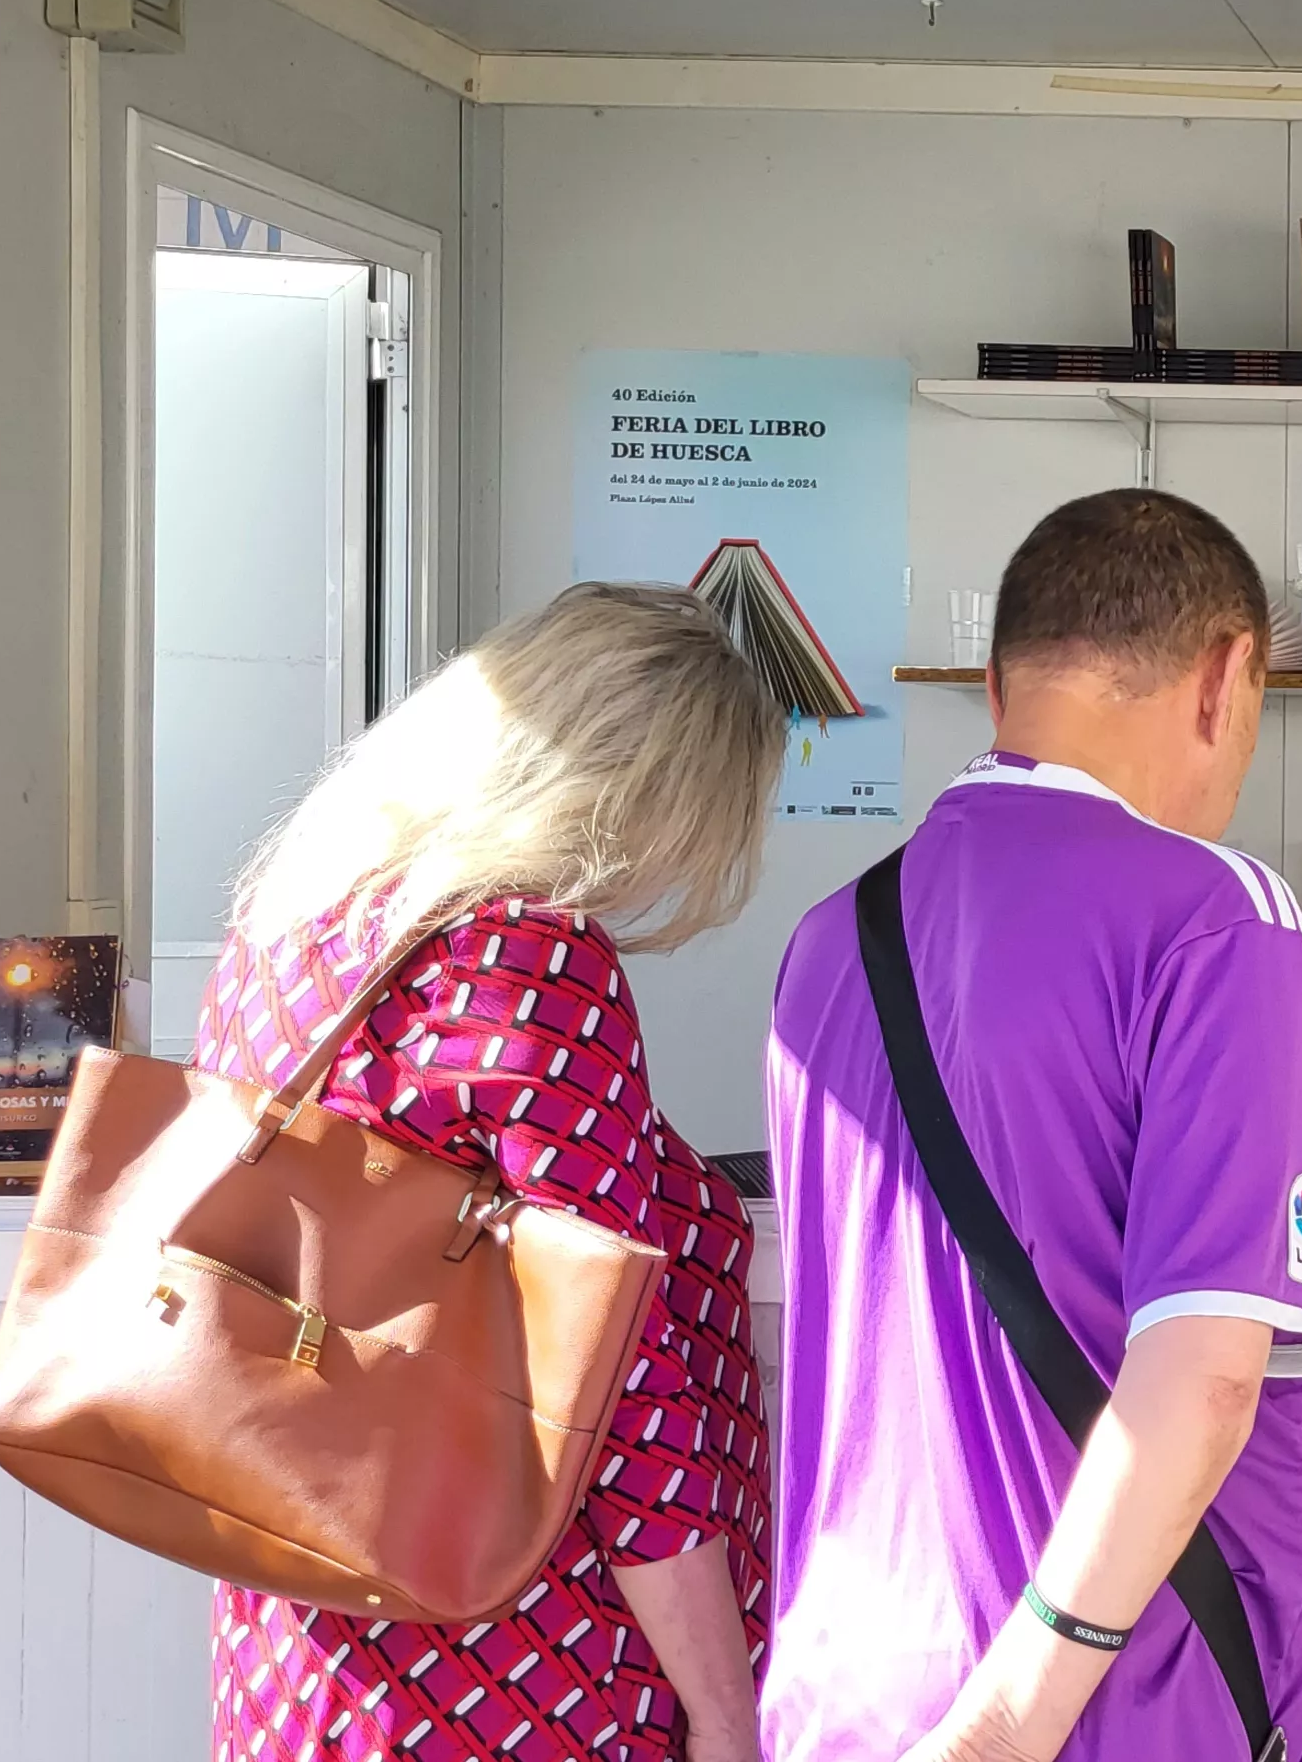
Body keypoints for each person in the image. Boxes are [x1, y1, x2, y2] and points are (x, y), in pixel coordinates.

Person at [761, 490, 1302, 1762]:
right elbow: (1205, 1381)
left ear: (998, 689)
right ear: (1227, 682)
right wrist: (1010, 1724)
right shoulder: (1218, 914)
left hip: (858, 1681)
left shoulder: (832, 937)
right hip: (1103, 1696)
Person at [197, 583, 775, 1762]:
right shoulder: (531, 957)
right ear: (637, 796)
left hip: (305, 1637)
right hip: (515, 1653)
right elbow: (615, 1383)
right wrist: (721, 1707)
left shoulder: (291, 929)